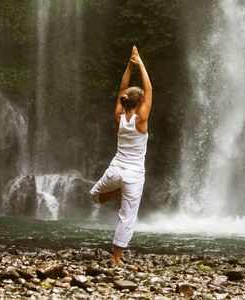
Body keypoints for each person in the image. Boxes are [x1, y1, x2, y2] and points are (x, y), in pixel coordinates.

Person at [90, 45, 152, 265]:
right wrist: (140, 62)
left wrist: (129, 64)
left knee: (95, 196)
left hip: (116, 169)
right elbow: (149, 88)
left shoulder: (119, 117)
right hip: (134, 174)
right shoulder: (141, 120)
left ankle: (117, 192)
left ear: (125, 101)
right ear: (140, 102)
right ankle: (117, 258)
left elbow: (122, 87)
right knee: (127, 216)